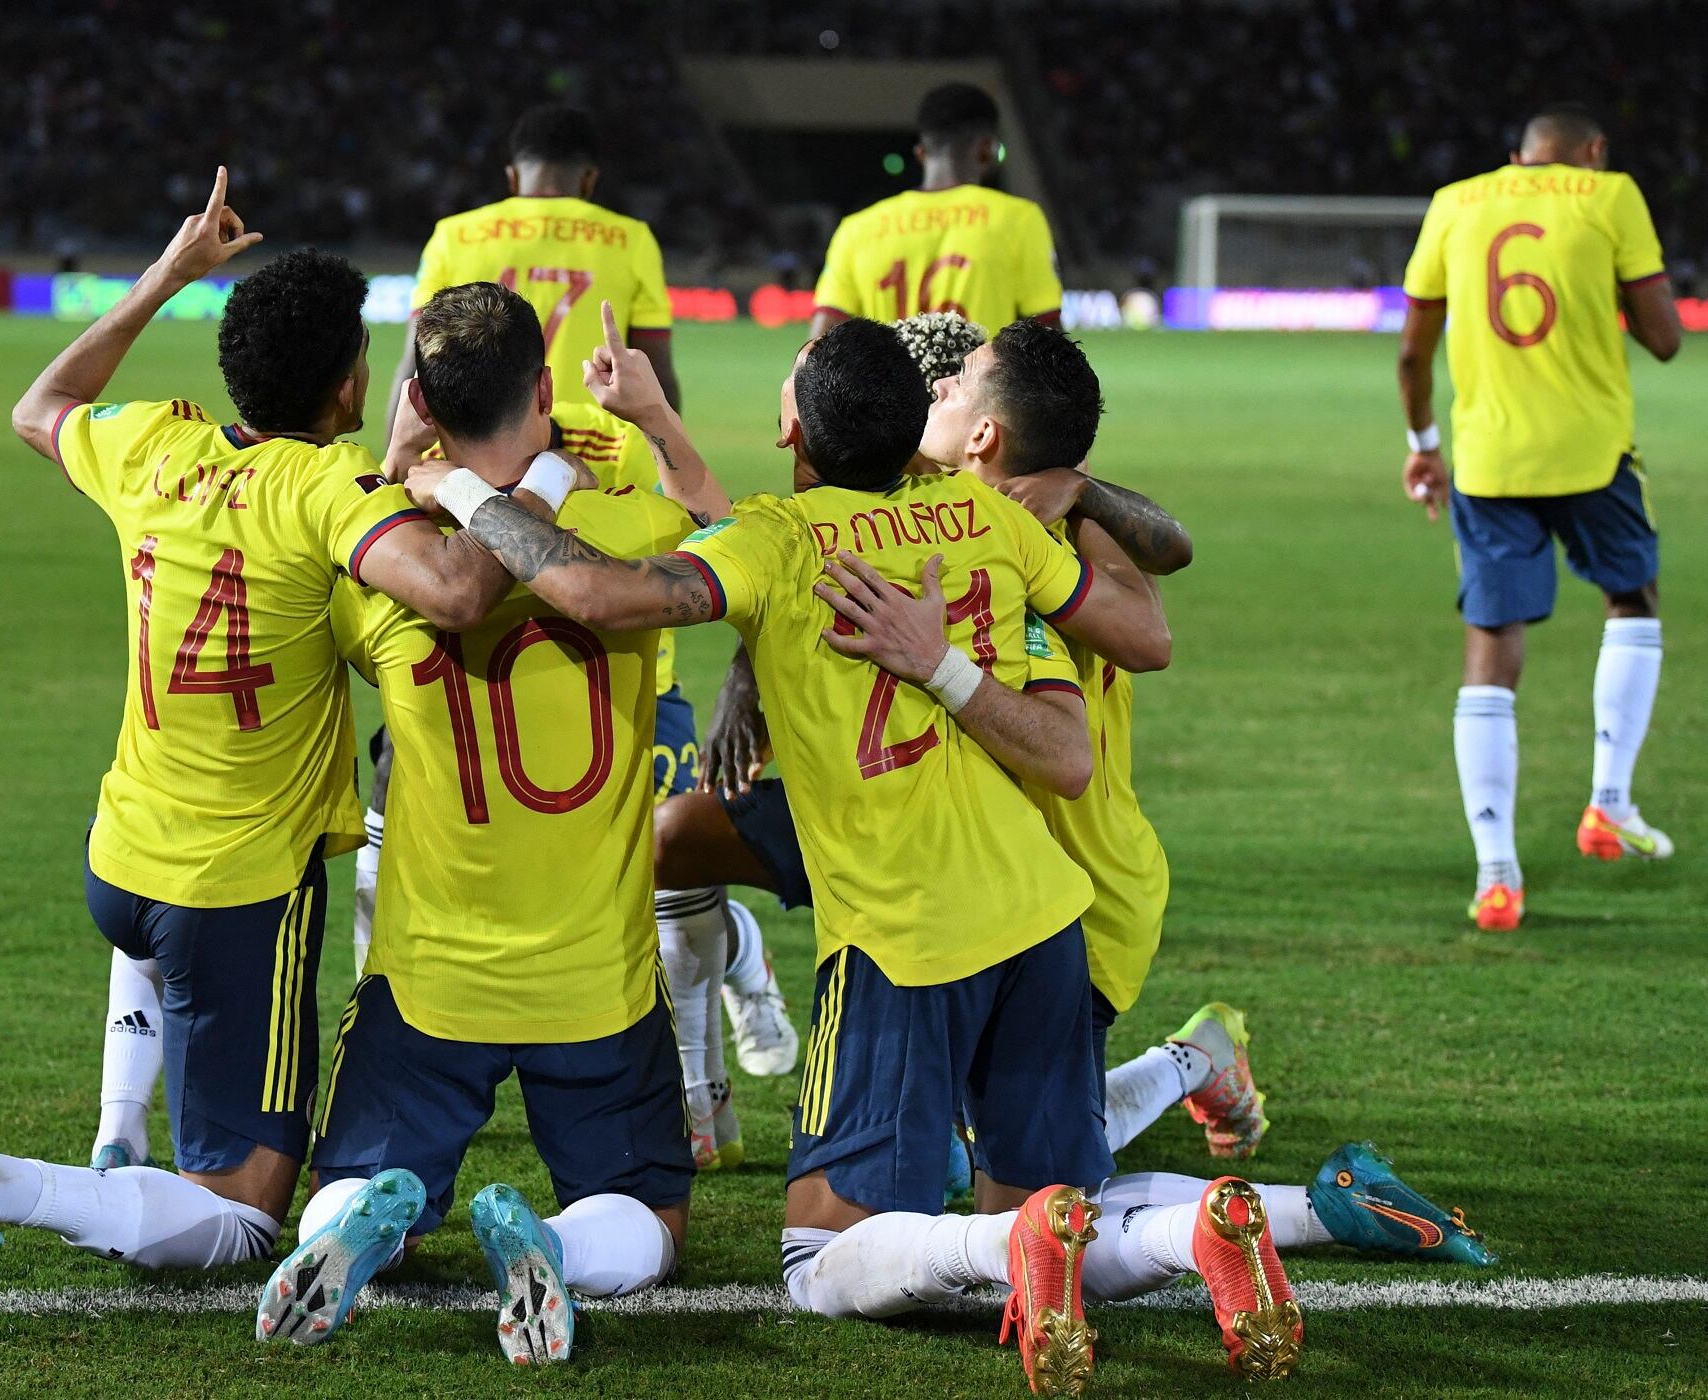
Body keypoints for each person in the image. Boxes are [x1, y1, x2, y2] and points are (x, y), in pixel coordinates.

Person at [406, 320, 1300, 1389]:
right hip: (1042, 920)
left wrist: (456, 491)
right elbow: (1074, 745)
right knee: (1046, 1209)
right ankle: (1201, 1222)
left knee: (817, 1253)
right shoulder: (982, 517)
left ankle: (994, 1238)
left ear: (791, 425)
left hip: (905, 939)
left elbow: (597, 594)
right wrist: (946, 661)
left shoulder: (779, 541)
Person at [0, 172, 551, 1314]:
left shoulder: (152, 443)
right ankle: (6, 1180)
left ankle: (115, 1132)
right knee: (244, 1209)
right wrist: (531, 476)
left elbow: (38, 405)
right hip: (232, 891)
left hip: (122, 855)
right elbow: (449, 590)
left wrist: (167, 273)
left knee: (179, 1020)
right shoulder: (323, 487)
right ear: (349, 384)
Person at [256, 283, 699, 1364]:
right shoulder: (630, 525)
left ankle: (352, 1230)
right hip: (591, 972)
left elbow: (396, 538)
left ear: (417, 400)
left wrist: (395, 465)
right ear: (545, 390)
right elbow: (728, 531)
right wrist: (647, 424)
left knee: (353, 1179)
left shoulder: (382, 570)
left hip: (431, 971)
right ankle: (547, 1241)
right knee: (652, 1218)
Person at [1397, 102, 1683, 932]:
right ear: (1590, 151)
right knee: (1633, 600)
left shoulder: (1457, 201)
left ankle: (1497, 877)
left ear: (1517, 151)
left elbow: (1414, 350)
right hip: (1594, 452)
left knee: (1491, 647)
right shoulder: (1610, 194)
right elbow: (1664, 336)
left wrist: (1424, 443)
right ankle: (1609, 805)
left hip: (1487, 460)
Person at [387, 103, 677, 433]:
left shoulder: (454, 235)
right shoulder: (632, 240)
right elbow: (656, 375)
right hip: (595, 455)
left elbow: (414, 366)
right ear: (589, 180)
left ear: (512, 177)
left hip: (469, 454)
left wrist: (395, 470)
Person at [810, 83, 1062, 340]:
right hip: (980, 381)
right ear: (986, 149)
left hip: (890, 381)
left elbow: (817, 349)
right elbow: (1048, 336)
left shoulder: (857, 228)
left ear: (921, 153)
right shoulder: (1019, 219)